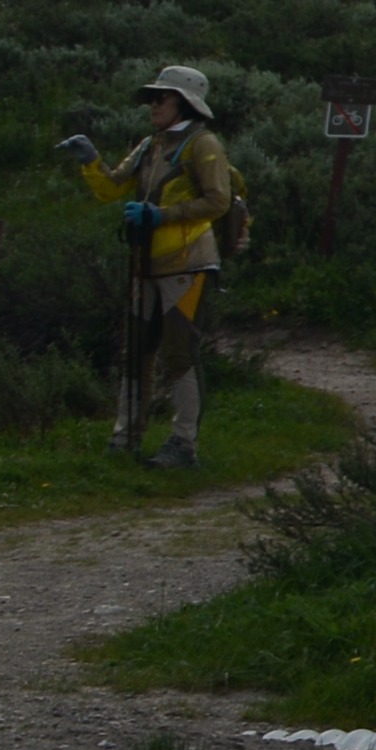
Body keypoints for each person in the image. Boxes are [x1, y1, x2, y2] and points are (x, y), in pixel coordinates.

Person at [65, 62, 246, 466]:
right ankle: (125, 437)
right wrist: (90, 161)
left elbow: (218, 201)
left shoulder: (204, 145)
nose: (153, 104)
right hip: (145, 263)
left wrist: (160, 216)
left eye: (160, 97)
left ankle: (183, 444)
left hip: (188, 264)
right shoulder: (151, 144)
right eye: (152, 97)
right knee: (136, 353)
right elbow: (112, 187)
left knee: (180, 354)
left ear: (184, 102)